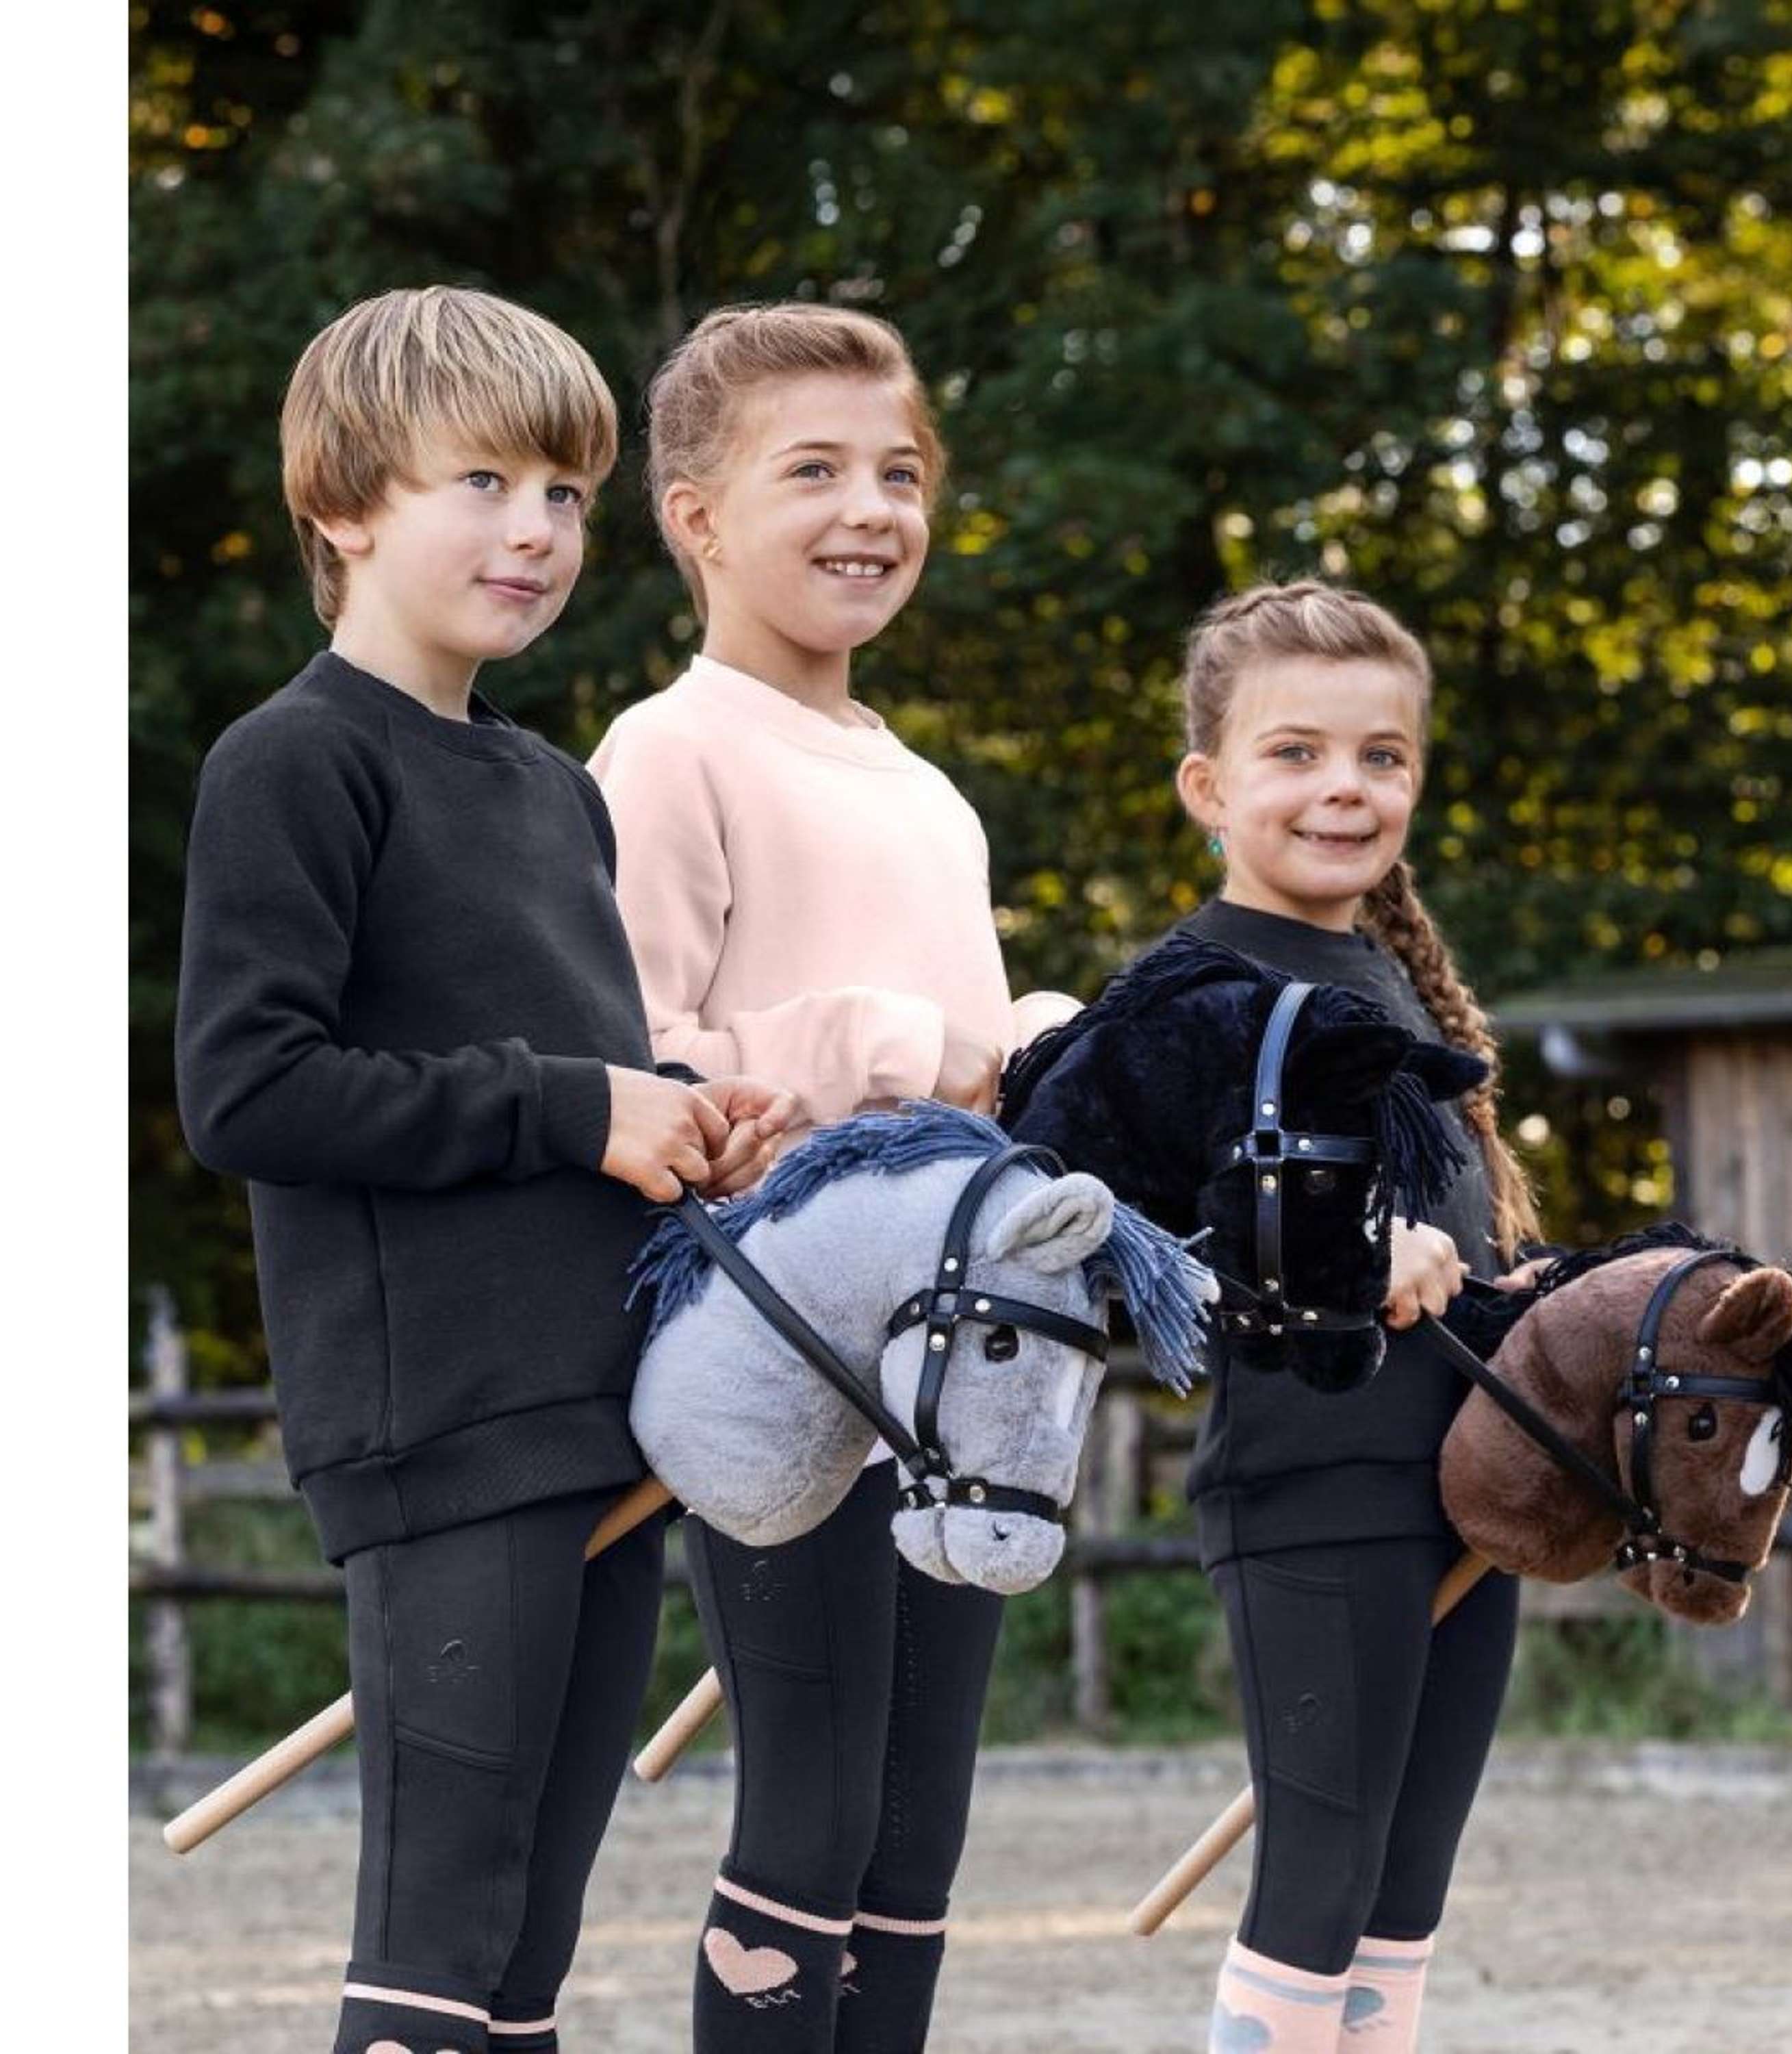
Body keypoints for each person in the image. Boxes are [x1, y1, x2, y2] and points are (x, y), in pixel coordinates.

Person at [175, 286, 792, 2054]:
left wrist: (678, 1118)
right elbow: (248, 1090)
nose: (536, 531)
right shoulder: (292, 763)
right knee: (436, 1957)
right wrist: (577, 1110)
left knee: (526, 1960)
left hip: (603, 1426)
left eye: (566, 495)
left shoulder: (552, 791)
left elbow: (561, 1075)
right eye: (485, 483)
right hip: (439, 1429)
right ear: (343, 504)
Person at [589, 301, 1067, 2053]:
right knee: (810, 1816)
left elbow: (973, 1082)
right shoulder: (668, 749)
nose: (872, 509)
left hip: (958, 1376)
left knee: (914, 1842)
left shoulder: (929, 792)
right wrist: (894, 1044)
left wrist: (1043, 1050)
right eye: (815, 472)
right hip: (779, 1365)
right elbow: (641, 1063)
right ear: (698, 516)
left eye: (900, 473)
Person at [1032, 579, 1545, 2054]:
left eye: (1382, 757)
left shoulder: (1392, 984)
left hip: (1468, 1491)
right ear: (1209, 787)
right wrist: (1333, 1252)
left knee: (1402, 1897)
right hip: (1314, 1489)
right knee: (1317, 1892)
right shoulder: (1181, 999)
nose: (1345, 787)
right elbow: (1071, 1228)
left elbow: (1454, 1250)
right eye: (1297, 753)